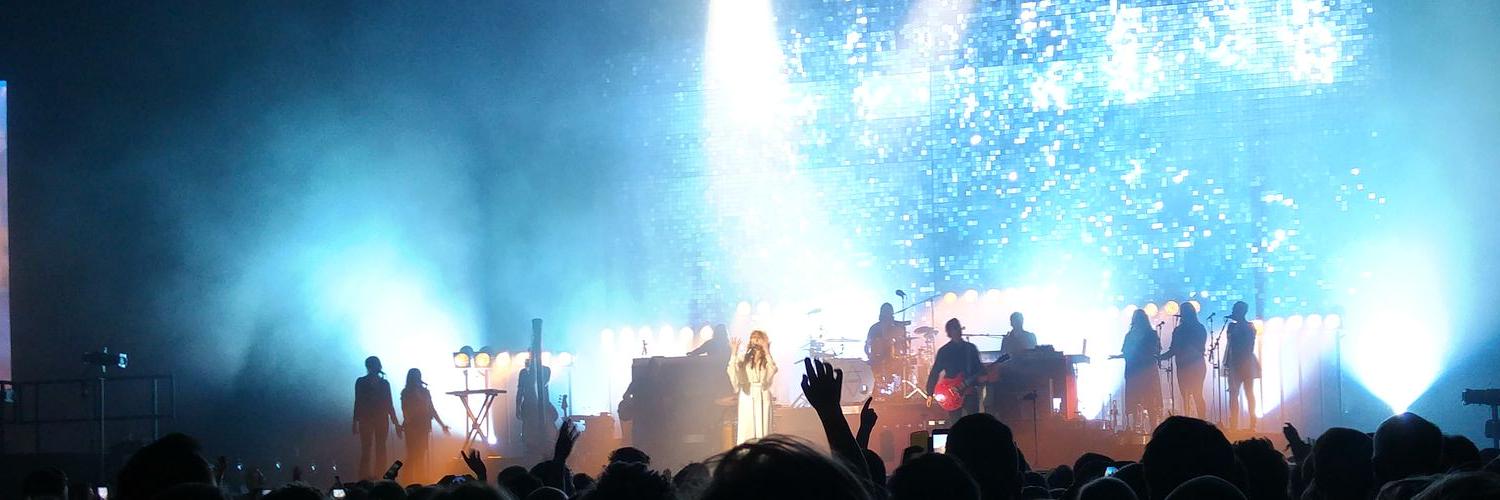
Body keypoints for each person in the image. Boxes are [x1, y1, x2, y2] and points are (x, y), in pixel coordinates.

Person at [1112, 309, 1162, 429]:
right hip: (1147, 371)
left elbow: (1126, 352)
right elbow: (1157, 350)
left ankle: (1135, 426)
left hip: (1135, 371)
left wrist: (1118, 356)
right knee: (1149, 399)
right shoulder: (1151, 334)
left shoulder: (1130, 335)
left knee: (1135, 398)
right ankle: (1152, 426)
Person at [925, 318, 984, 419]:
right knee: (955, 421)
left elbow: (978, 368)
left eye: (958, 327)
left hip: (969, 390)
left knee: (974, 421)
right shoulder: (944, 351)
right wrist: (930, 393)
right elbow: (935, 372)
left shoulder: (970, 348)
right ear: (949, 332)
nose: (958, 330)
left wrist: (982, 378)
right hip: (951, 392)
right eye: (955, 328)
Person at [354, 356, 402, 480]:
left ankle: (373, 477)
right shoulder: (380, 383)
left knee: (376, 448)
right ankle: (370, 477)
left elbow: (389, 404)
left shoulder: (366, 382)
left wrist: (396, 423)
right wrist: (396, 423)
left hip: (374, 419)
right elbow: (358, 401)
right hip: (372, 419)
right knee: (373, 449)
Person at [401, 368, 451, 482]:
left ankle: (420, 479)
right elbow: (405, 409)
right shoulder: (406, 392)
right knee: (412, 454)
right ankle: (407, 480)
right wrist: (408, 423)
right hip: (412, 427)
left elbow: (431, 409)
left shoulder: (425, 392)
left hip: (423, 426)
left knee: (421, 454)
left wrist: (442, 425)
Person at [728, 330, 778, 443]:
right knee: (747, 427)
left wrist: (766, 350)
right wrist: (734, 353)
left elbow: (773, 369)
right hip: (747, 394)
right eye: (753, 337)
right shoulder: (744, 357)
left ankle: (763, 451)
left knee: (763, 427)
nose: (755, 340)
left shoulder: (766, 359)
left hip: (763, 394)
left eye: (758, 338)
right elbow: (732, 369)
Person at [1158, 303, 1207, 418]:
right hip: (1195, 366)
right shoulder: (1200, 328)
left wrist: (1161, 357)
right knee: (1197, 394)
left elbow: (1173, 350)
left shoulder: (1179, 330)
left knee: (1186, 396)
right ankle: (1202, 420)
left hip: (1185, 366)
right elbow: (1201, 348)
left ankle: (1188, 420)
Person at [1224, 301, 1260, 430]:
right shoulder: (1231, 327)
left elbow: (1249, 345)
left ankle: (1252, 422)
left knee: (1249, 392)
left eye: (1235, 309)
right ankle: (1233, 423)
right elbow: (1230, 343)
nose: (1233, 311)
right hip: (1234, 362)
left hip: (1246, 362)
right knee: (1233, 393)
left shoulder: (1250, 326)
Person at [517, 350, 557, 456]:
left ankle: (548, 443)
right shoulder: (524, 372)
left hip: (544, 404)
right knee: (528, 427)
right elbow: (520, 390)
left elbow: (543, 382)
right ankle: (531, 447)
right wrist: (517, 407)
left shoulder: (546, 370)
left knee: (554, 416)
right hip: (529, 405)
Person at [866, 303, 910, 384]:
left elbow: (866, 346)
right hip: (881, 361)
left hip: (886, 360)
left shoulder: (874, 328)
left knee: (905, 364)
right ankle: (902, 386)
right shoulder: (876, 328)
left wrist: (870, 356)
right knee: (905, 365)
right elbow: (867, 345)